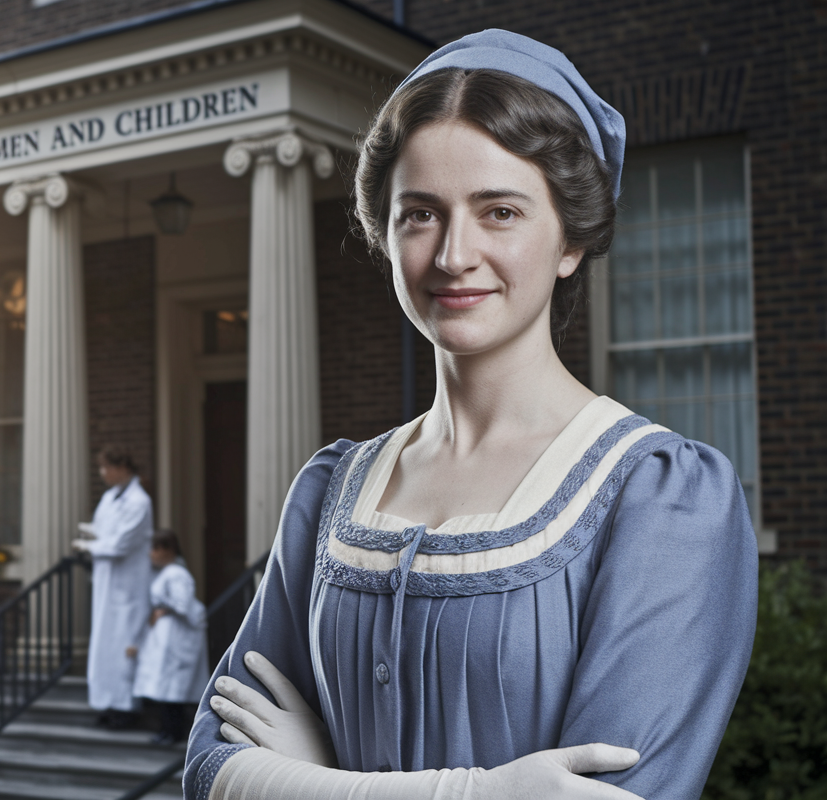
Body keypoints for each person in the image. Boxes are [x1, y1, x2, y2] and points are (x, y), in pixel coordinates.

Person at [185, 30, 758, 800]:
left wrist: (304, 780)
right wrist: (476, 793)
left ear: (572, 240)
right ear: (384, 235)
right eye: (420, 214)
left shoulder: (661, 501)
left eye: (500, 212)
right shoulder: (331, 490)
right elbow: (207, 767)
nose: (454, 254)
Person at [72, 445, 154, 730]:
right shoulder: (110, 497)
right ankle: (106, 703)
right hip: (107, 582)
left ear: (122, 468)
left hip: (127, 585)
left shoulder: (139, 502)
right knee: (104, 643)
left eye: (106, 467)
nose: (102, 473)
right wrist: (91, 532)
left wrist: (88, 544)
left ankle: (125, 707)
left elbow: (120, 544)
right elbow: (105, 530)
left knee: (123, 643)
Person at [131, 530, 210, 745]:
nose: (151, 554)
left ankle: (174, 731)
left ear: (167, 550)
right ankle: (166, 730)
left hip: (176, 637)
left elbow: (182, 603)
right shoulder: (169, 573)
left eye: (155, 549)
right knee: (165, 686)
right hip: (167, 637)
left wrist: (163, 608)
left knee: (173, 687)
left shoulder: (176, 574)